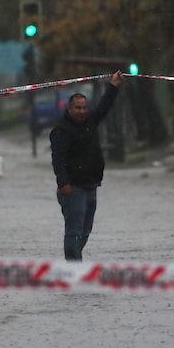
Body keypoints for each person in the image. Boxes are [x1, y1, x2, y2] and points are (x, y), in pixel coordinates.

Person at [49, 70, 125, 261]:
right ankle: (74, 266)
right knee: (74, 230)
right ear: (69, 109)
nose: (82, 111)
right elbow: (58, 159)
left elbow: (104, 107)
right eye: (77, 108)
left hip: (91, 185)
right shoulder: (62, 131)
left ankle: (75, 258)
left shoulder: (90, 122)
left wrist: (113, 86)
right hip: (73, 188)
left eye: (84, 107)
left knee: (85, 230)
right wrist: (63, 183)